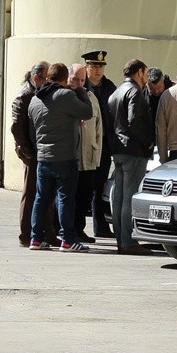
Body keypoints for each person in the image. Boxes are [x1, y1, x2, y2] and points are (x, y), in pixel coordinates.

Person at [27, 62, 93, 252]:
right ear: (65, 79)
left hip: (43, 157)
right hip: (65, 157)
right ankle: (68, 240)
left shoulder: (35, 100)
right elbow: (87, 112)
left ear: (49, 77)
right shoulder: (65, 95)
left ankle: (35, 239)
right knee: (65, 199)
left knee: (41, 199)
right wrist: (80, 91)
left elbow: (33, 132)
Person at [10, 61, 61, 248]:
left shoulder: (41, 93)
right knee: (32, 193)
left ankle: (48, 232)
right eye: (46, 79)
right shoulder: (25, 95)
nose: (49, 83)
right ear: (36, 78)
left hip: (43, 150)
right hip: (32, 152)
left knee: (47, 193)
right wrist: (26, 150)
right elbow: (17, 127)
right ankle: (26, 235)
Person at [107, 59, 155, 256]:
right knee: (129, 197)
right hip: (133, 150)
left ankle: (122, 240)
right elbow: (134, 120)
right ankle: (127, 242)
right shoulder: (134, 92)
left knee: (119, 197)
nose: (147, 78)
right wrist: (148, 141)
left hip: (118, 150)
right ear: (140, 72)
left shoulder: (116, 93)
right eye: (146, 73)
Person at [81, 50, 118, 238]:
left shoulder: (110, 87)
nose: (98, 70)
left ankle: (101, 226)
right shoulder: (81, 88)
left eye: (101, 66)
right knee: (84, 186)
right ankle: (77, 228)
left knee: (100, 186)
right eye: (94, 66)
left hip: (104, 143)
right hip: (85, 144)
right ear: (87, 67)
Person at [69, 63, 102, 244]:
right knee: (69, 196)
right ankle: (67, 230)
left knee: (85, 196)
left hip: (88, 157)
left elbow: (98, 129)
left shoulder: (91, 97)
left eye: (82, 80)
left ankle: (79, 229)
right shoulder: (65, 97)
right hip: (70, 157)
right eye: (75, 79)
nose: (79, 84)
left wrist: (97, 155)